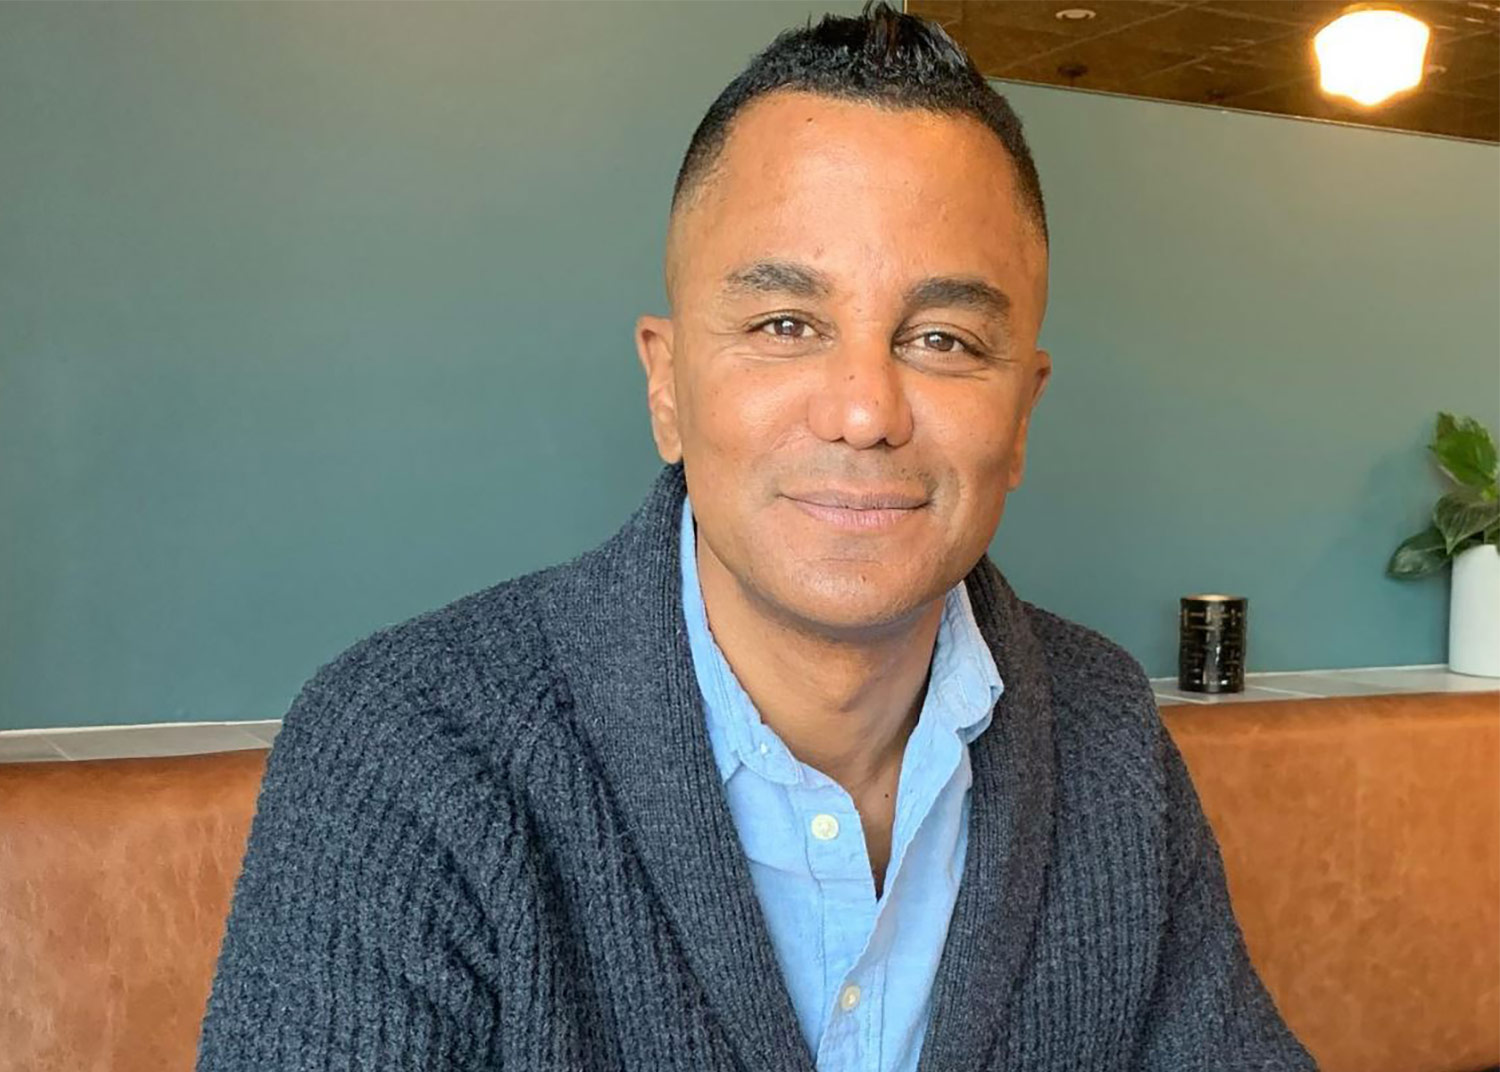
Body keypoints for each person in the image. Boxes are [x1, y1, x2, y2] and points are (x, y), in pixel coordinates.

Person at [197, 3, 1317, 1070]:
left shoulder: (1104, 729)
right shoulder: (407, 751)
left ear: (1022, 415)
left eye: (942, 339)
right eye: (786, 323)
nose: (865, 410)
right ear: (667, 387)